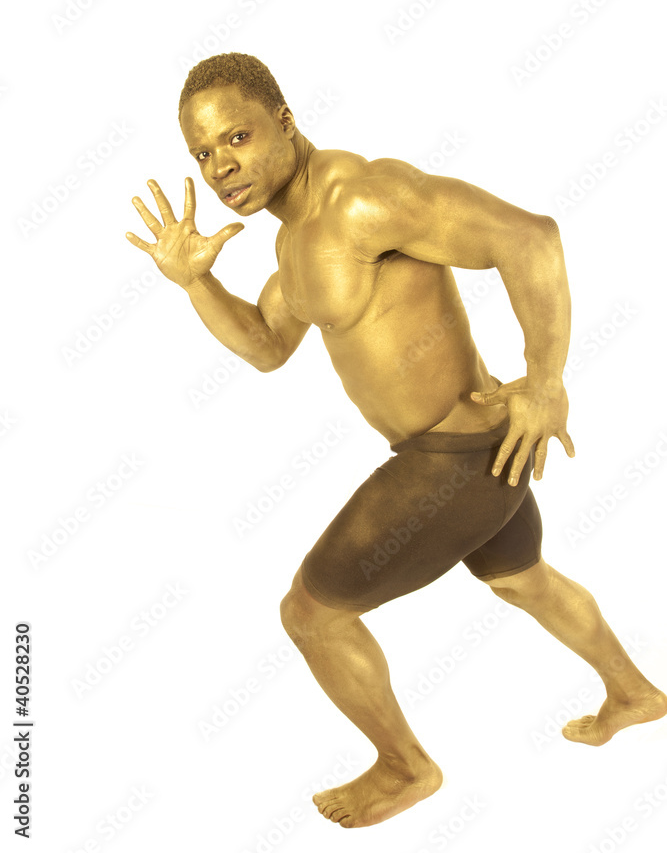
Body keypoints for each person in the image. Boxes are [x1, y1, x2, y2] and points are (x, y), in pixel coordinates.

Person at [126, 52, 666, 830]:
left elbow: (529, 238)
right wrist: (195, 282)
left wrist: (544, 381)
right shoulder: (295, 240)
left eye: (236, 137)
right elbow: (267, 345)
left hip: (454, 459)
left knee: (310, 615)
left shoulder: (362, 198)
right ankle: (633, 693)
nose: (220, 166)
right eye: (202, 154)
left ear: (284, 121)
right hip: (477, 455)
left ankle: (405, 767)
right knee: (522, 581)